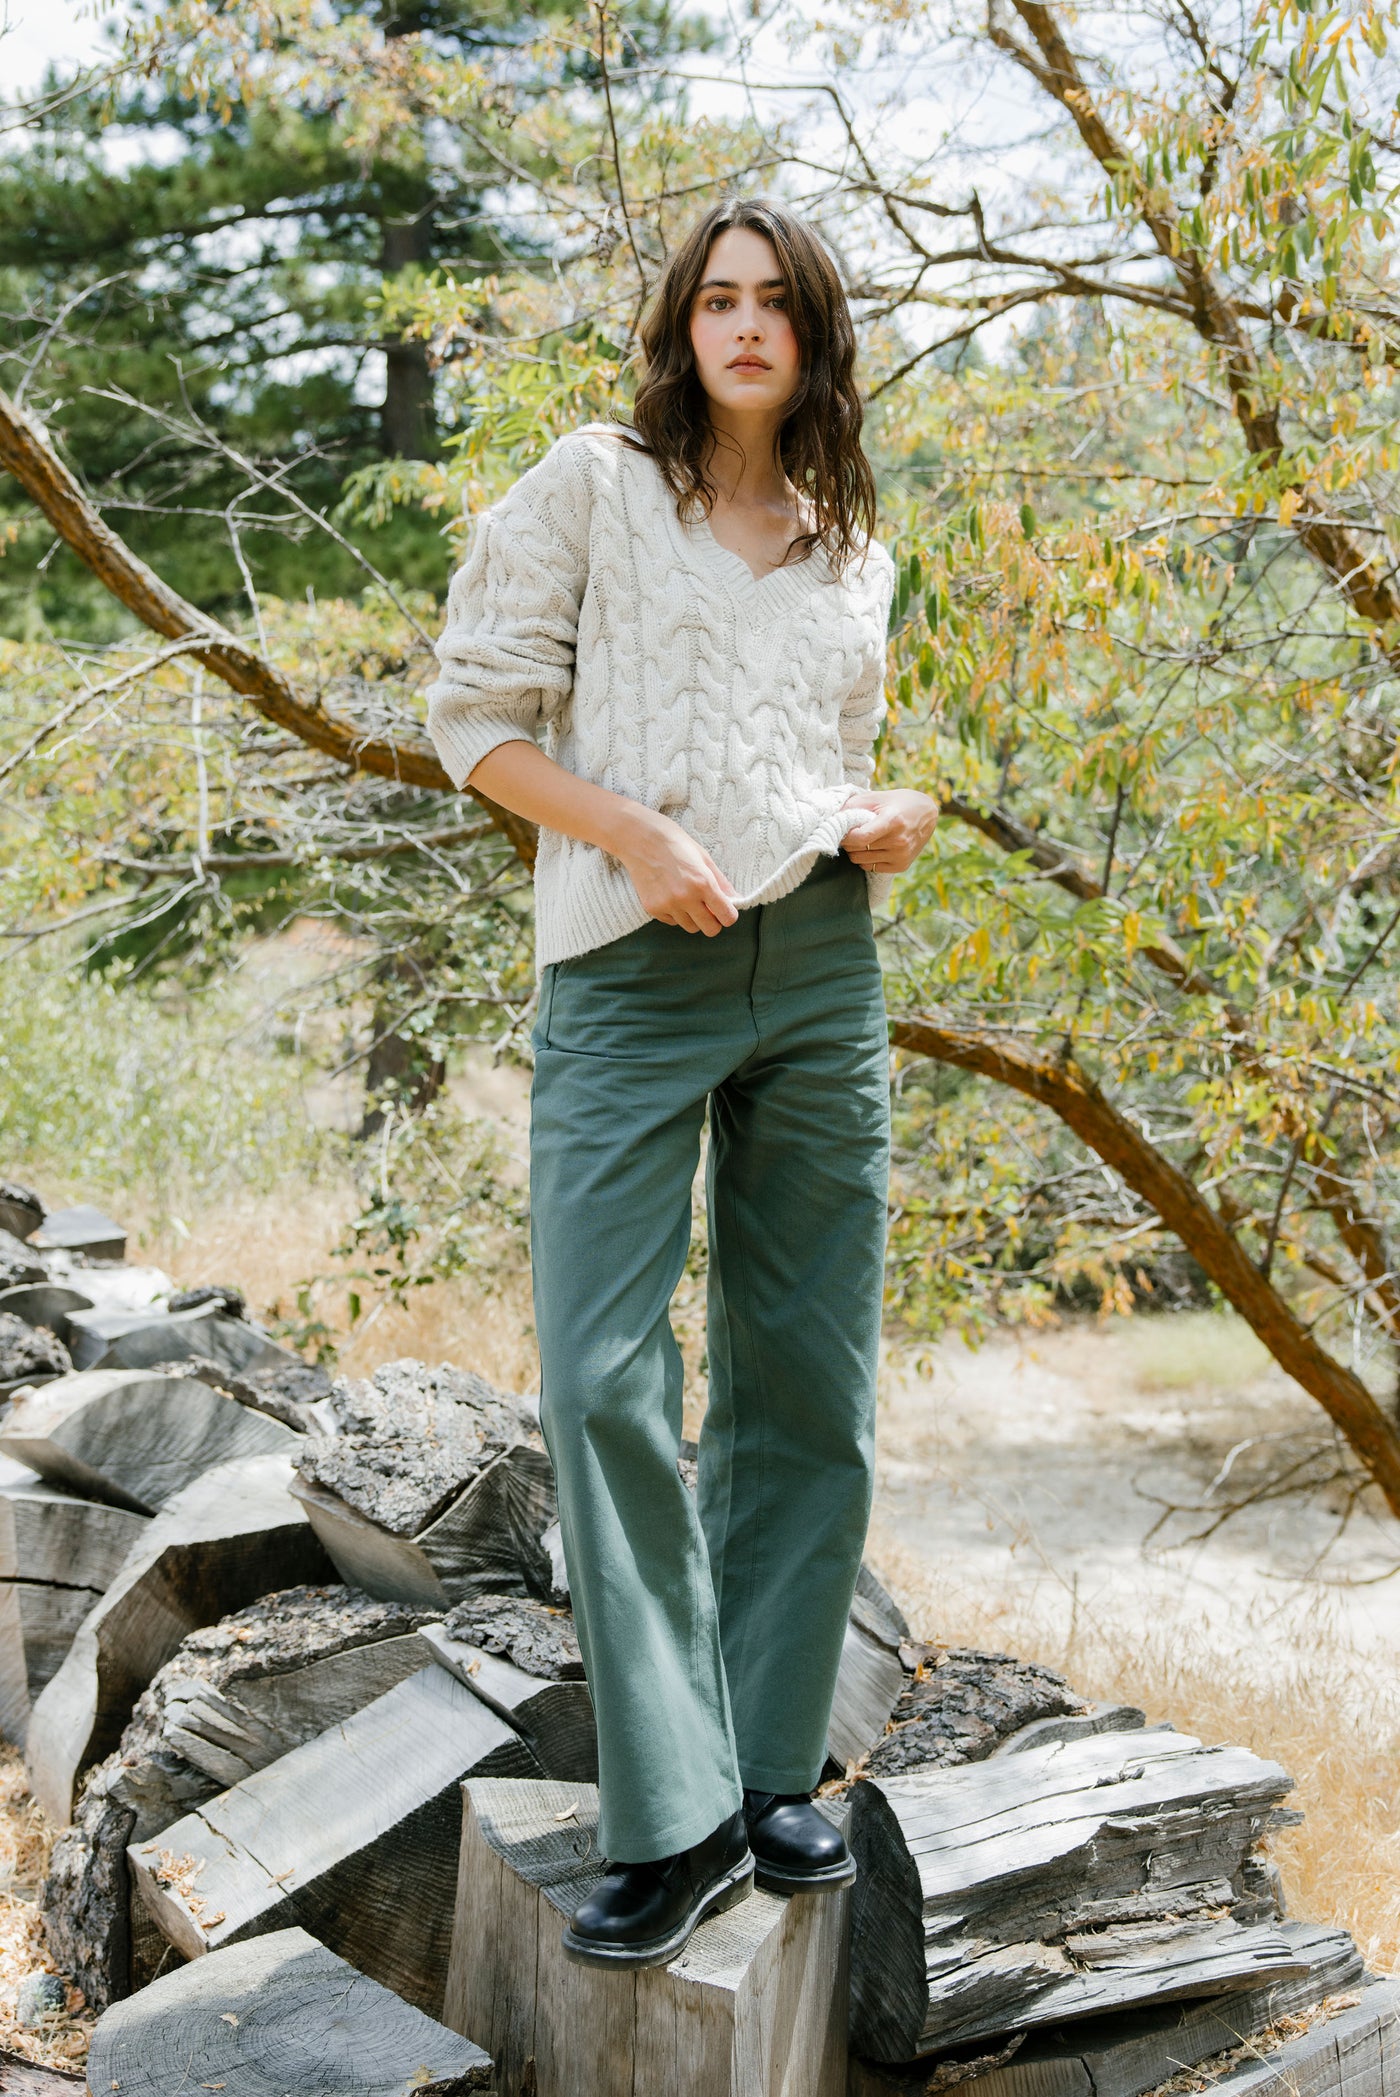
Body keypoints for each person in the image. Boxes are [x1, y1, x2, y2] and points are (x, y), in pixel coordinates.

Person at [426, 196, 939, 1969]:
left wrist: (894, 818)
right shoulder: (591, 484)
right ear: (681, 323)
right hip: (628, 966)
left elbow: (826, 760)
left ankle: (773, 1761)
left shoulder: (856, 537)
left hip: (818, 967)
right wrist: (632, 832)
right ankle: (671, 1809)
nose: (741, 324)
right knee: (599, 1368)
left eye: (772, 300)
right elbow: (471, 719)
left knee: (810, 1372)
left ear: (814, 333)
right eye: (714, 297)